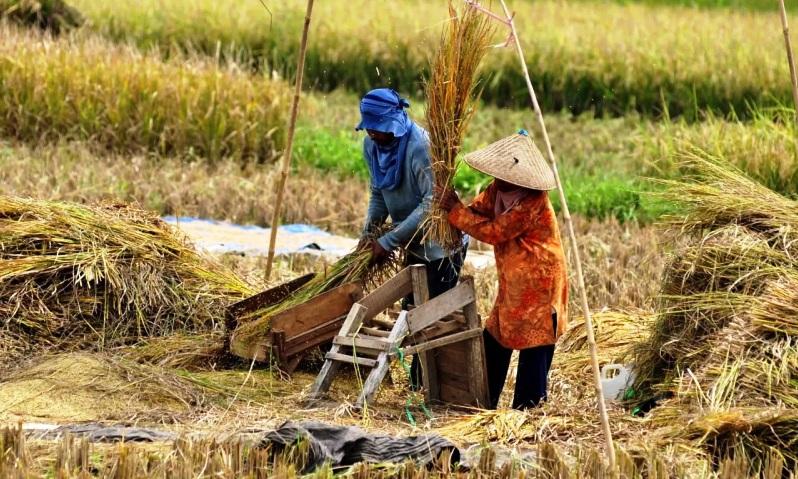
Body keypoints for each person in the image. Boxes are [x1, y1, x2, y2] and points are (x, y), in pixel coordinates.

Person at [436, 130, 568, 410]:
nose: (500, 182)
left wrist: (457, 212)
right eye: (500, 177)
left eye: (508, 178)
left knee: (536, 339)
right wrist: (453, 210)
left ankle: (527, 410)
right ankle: (482, 402)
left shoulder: (533, 201)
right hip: (513, 280)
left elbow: (496, 231)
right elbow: (479, 210)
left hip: (539, 279)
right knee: (496, 334)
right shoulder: (498, 189)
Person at [355, 88, 465, 386]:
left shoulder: (420, 147)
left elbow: (431, 203)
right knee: (411, 309)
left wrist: (388, 241)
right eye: (370, 128)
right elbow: (379, 192)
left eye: (378, 128)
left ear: (392, 122)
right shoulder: (372, 146)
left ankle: (429, 386)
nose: (373, 134)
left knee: (432, 318)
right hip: (412, 241)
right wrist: (369, 235)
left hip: (440, 245)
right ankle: (416, 383)